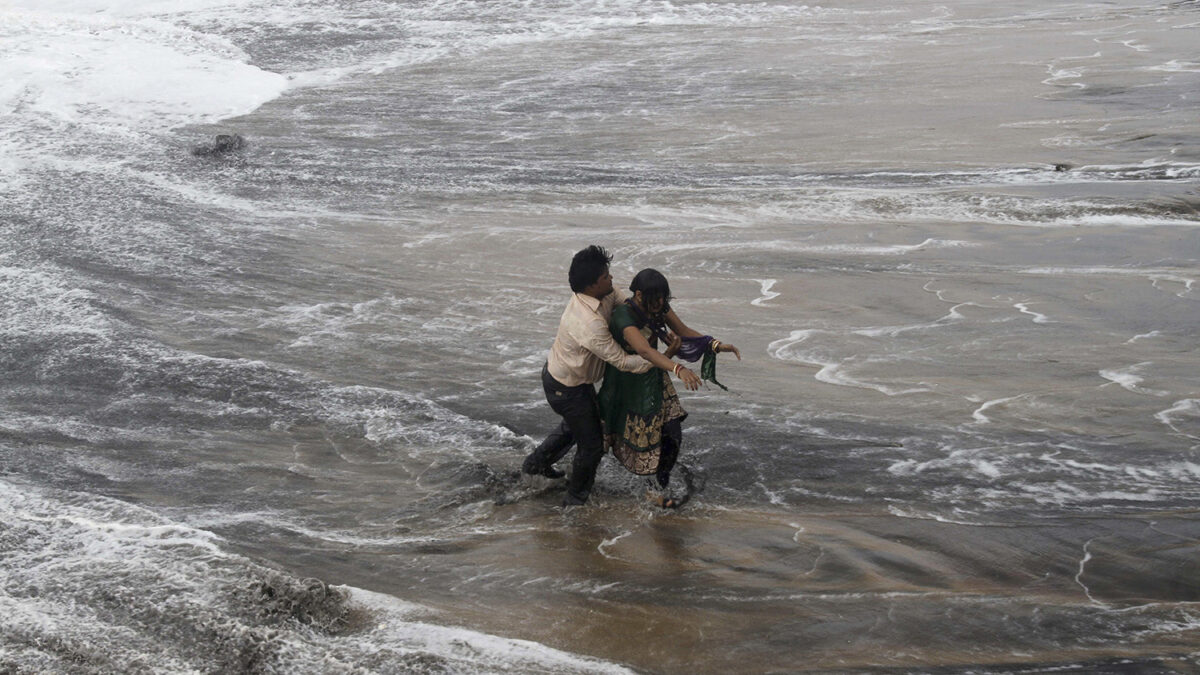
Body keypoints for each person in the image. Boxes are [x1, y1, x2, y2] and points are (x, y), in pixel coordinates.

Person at [522, 246, 702, 506]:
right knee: (592, 444)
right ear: (592, 285)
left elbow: (632, 309)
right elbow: (623, 361)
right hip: (565, 386)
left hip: (571, 378)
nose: (612, 279)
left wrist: (658, 306)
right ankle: (574, 500)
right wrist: (667, 360)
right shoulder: (589, 322)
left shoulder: (606, 294)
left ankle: (535, 465)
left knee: (577, 428)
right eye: (606, 277)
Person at [598, 268, 740, 508]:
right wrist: (677, 368)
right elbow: (644, 350)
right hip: (627, 384)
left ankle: (657, 489)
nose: (661, 304)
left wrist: (716, 345)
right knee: (609, 438)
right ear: (640, 295)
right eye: (656, 298)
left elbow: (683, 331)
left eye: (664, 298)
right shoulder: (624, 316)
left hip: (654, 379)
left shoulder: (658, 307)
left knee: (673, 434)